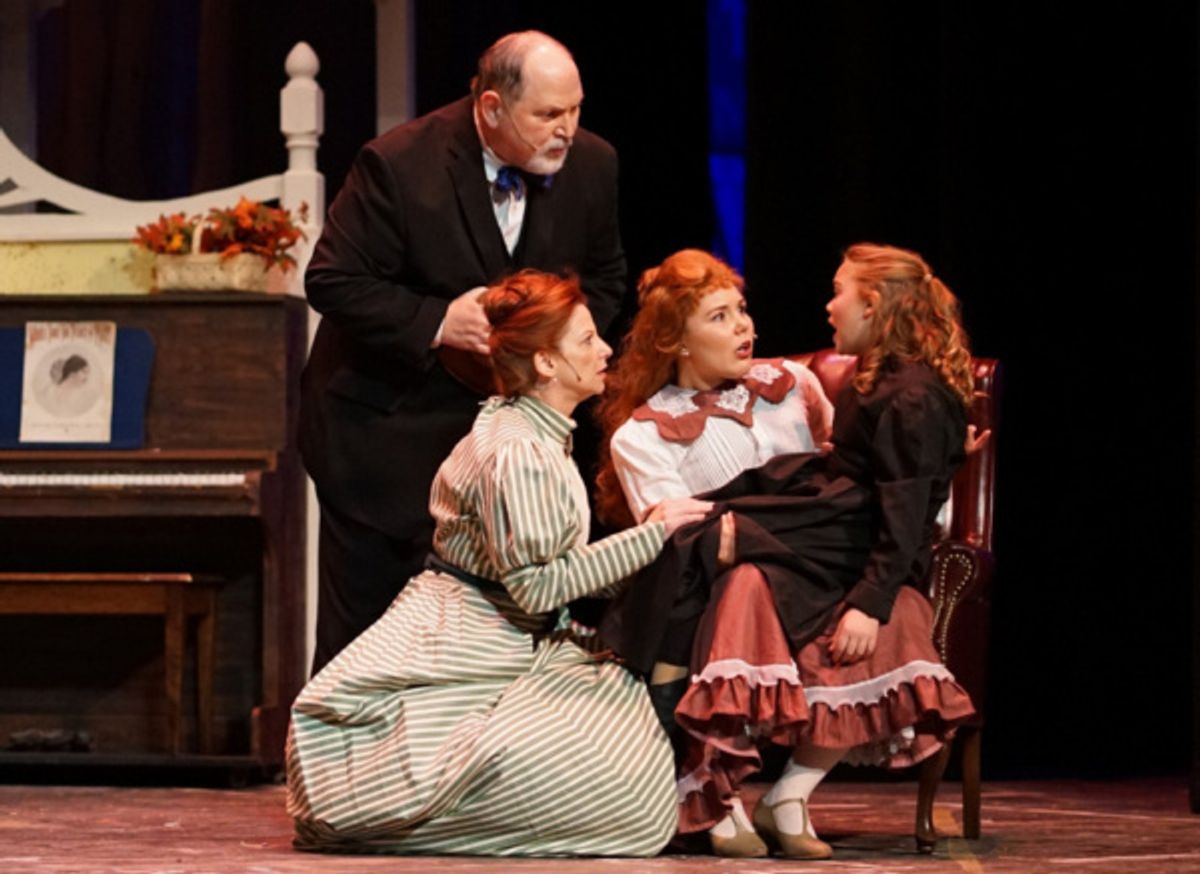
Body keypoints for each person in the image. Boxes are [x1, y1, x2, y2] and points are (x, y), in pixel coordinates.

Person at [286, 270, 712, 856]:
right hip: (469, 630)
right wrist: (653, 535)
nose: (606, 350)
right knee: (625, 784)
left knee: (619, 739)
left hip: (498, 626)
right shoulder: (518, 453)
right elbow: (537, 586)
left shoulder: (527, 428)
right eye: (587, 340)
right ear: (544, 364)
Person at [597, 246, 976, 858]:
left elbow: (861, 471)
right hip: (731, 586)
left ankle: (791, 792)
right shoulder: (644, 433)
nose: (743, 326)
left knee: (896, 604)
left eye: (740, 309)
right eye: (719, 317)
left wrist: (936, 454)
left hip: (832, 556)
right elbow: (671, 537)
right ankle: (709, 789)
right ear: (677, 342)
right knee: (737, 574)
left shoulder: (794, 384)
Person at [299, 31, 627, 673]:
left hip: (507, 459)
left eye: (575, 110)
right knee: (368, 648)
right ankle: (340, 773)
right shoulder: (398, 163)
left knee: (482, 649)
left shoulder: (592, 164)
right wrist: (439, 320)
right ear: (491, 108)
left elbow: (607, 277)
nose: (566, 130)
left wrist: (554, 347)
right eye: (548, 115)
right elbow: (332, 280)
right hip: (386, 439)